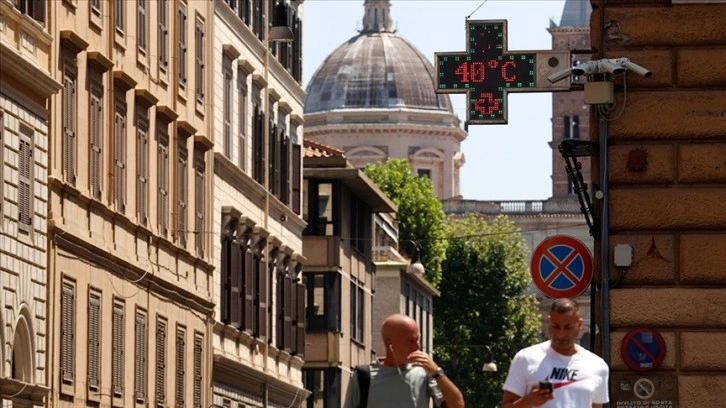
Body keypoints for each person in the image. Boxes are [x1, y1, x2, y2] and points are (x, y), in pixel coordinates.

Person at [502, 298, 609, 408]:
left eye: (568, 327)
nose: (560, 334)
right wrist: (528, 401)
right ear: (549, 322)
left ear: (579, 324)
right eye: (555, 326)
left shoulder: (597, 366)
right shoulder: (525, 358)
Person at [343, 313, 465, 408]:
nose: (417, 347)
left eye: (418, 340)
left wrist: (438, 373)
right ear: (389, 343)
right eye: (410, 341)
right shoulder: (363, 376)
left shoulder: (424, 372)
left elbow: (458, 405)